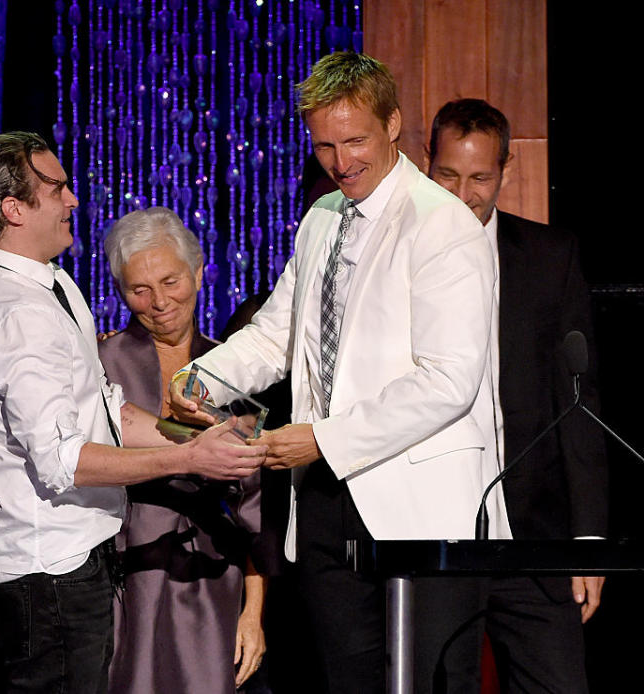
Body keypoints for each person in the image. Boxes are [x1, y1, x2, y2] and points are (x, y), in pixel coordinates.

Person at [168, 52, 509, 693]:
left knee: (431, 682)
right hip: (326, 499)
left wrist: (325, 437)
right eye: (325, 144)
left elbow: (450, 380)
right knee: (346, 681)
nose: (341, 160)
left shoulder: (444, 226)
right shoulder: (320, 220)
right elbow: (276, 334)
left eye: (355, 140)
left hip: (421, 508)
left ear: (394, 124)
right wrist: (200, 379)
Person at [0, 132, 266, 694]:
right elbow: (62, 461)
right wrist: (193, 454)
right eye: (58, 188)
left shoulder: (53, 286)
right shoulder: (16, 311)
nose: (74, 199)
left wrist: (204, 438)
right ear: (14, 209)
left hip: (81, 563)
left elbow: (109, 411)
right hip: (47, 572)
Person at [428, 97, 608, 693]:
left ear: (506, 171)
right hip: (437, 534)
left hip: (534, 532)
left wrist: (587, 541)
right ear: (427, 166)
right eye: (448, 175)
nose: (463, 193)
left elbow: (578, 404)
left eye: (479, 177)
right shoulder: (398, 261)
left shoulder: (552, 257)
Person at [98, 207, 267, 694]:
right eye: (139, 290)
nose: (159, 303)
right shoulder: (99, 363)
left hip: (213, 577)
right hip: (124, 578)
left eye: (171, 281)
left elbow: (256, 506)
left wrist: (253, 612)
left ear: (197, 272)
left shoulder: (237, 369)